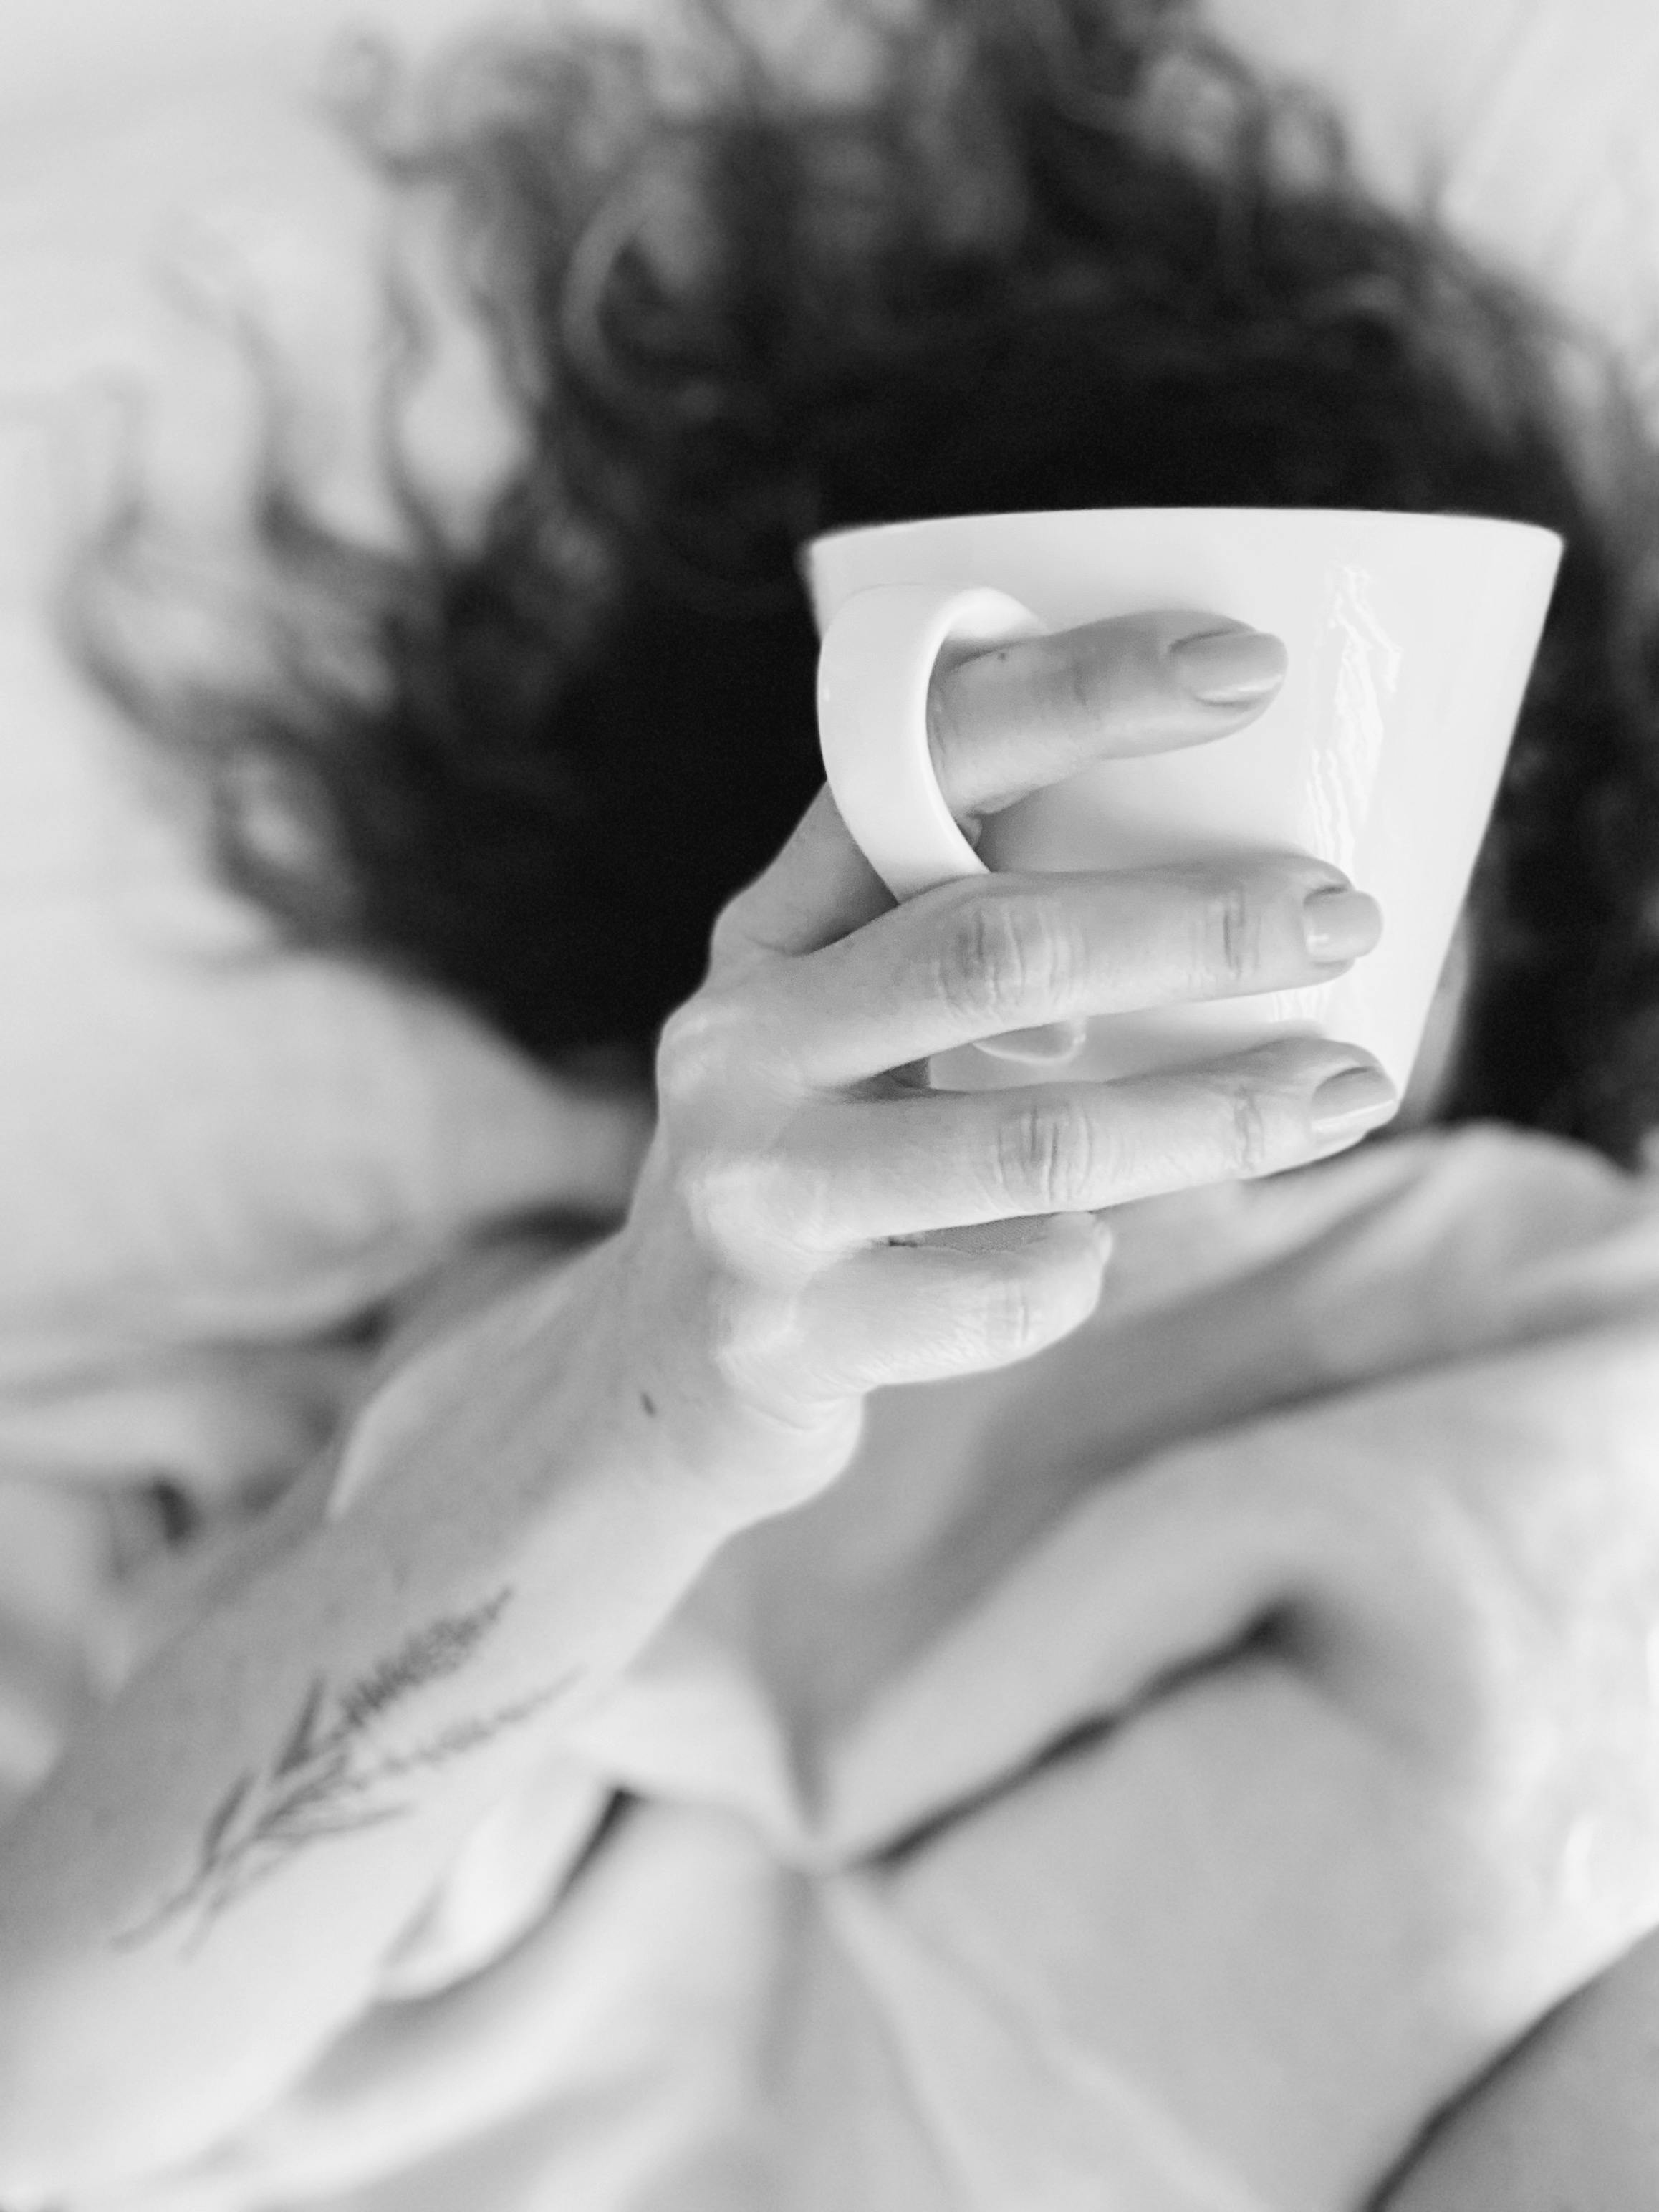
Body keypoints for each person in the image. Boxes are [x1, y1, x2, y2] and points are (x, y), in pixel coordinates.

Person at [5, 0, 1659, 2205]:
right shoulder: (515, 1385)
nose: (1173, 892)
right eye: (1070, 789)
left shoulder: (1555, 1367)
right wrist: (647, 1409)